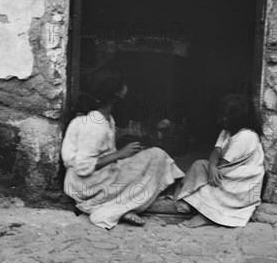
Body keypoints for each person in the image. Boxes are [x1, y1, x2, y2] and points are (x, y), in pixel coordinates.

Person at [61, 63, 185, 229]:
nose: (127, 87)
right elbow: (83, 167)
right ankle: (115, 208)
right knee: (158, 155)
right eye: (124, 84)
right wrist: (120, 155)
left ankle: (118, 206)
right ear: (117, 91)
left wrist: (126, 153)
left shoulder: (104, 117)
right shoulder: (93, 125)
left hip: (98, 177)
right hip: (86, 185)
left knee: (150, 156)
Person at [175, 94, 265, 228]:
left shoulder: (245, 136)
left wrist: (213, 169)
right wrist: (211, 165)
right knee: (200, 165)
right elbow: (217, 150)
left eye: (225, 117)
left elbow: (224, 164)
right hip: (226, 169)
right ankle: (195, 201)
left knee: (210, 178)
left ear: (238, 119)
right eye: (221, 115)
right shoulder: (227, 131)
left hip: (241, 180)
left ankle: (208, 214)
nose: (220, 120)